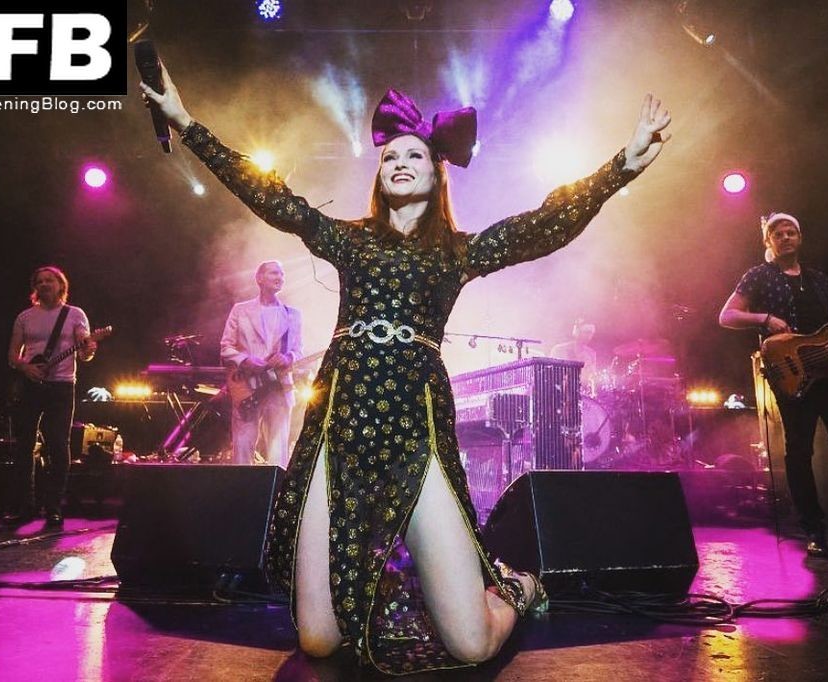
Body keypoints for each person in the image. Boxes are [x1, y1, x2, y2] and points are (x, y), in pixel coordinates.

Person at [142, 69, 670, 673]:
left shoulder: (458, 252)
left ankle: (518, 588)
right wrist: (186, 124)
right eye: (389, 156)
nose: (398, 162)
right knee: (319, 641)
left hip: (416, 433)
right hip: (337, 429)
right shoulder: (348, 240)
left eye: (414, 154)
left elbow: (541, 224)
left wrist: (620, 167)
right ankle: (390, 590)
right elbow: (271, 196)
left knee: (471, 644)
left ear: (437, 171)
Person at [718, 212, 828, 558]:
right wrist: (765, 319)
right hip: (792, 373)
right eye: (778, 233)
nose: (785, 237)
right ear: (768, 241)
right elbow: (727, 315)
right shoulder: (758, 276)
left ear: (800, 238)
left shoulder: (818, 280)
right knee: (799, 452)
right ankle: (814, 530)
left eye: (791, 232)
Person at [6, 266, 97, 528]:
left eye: (50, 280)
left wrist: (89, 348)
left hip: (61, 386)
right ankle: (26, 506)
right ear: (35, 288)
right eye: (40, 281)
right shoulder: (25, 317)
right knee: (24, 445)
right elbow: (12, 356)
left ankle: (54, 507)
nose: (44, 284)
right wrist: (26, 367)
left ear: (60, 285)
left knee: (58, 444)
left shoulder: (75, 314)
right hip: (30, 385)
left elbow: (85, 352)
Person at [221, 260, 303, 467]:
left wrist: (288, 357)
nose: (279, 277)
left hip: (279, 386)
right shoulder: (240, 310)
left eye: (282, 274)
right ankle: (242, 487)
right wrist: (246, 360)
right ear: (259, 278)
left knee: (278, 451)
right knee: (243, 447)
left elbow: (299, 350)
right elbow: (226, 348)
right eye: (274, 273)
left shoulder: (293, 314)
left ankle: (276, 488)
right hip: (248, 387)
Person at [549, 320, 599, 393]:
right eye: (586, 332)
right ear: (576, 331)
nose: (589, 336)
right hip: (559, 392)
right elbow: (551, 375)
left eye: (591, 333)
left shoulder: (591, 353)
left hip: (583, 392)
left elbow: (592, 377)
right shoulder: (559, 349)